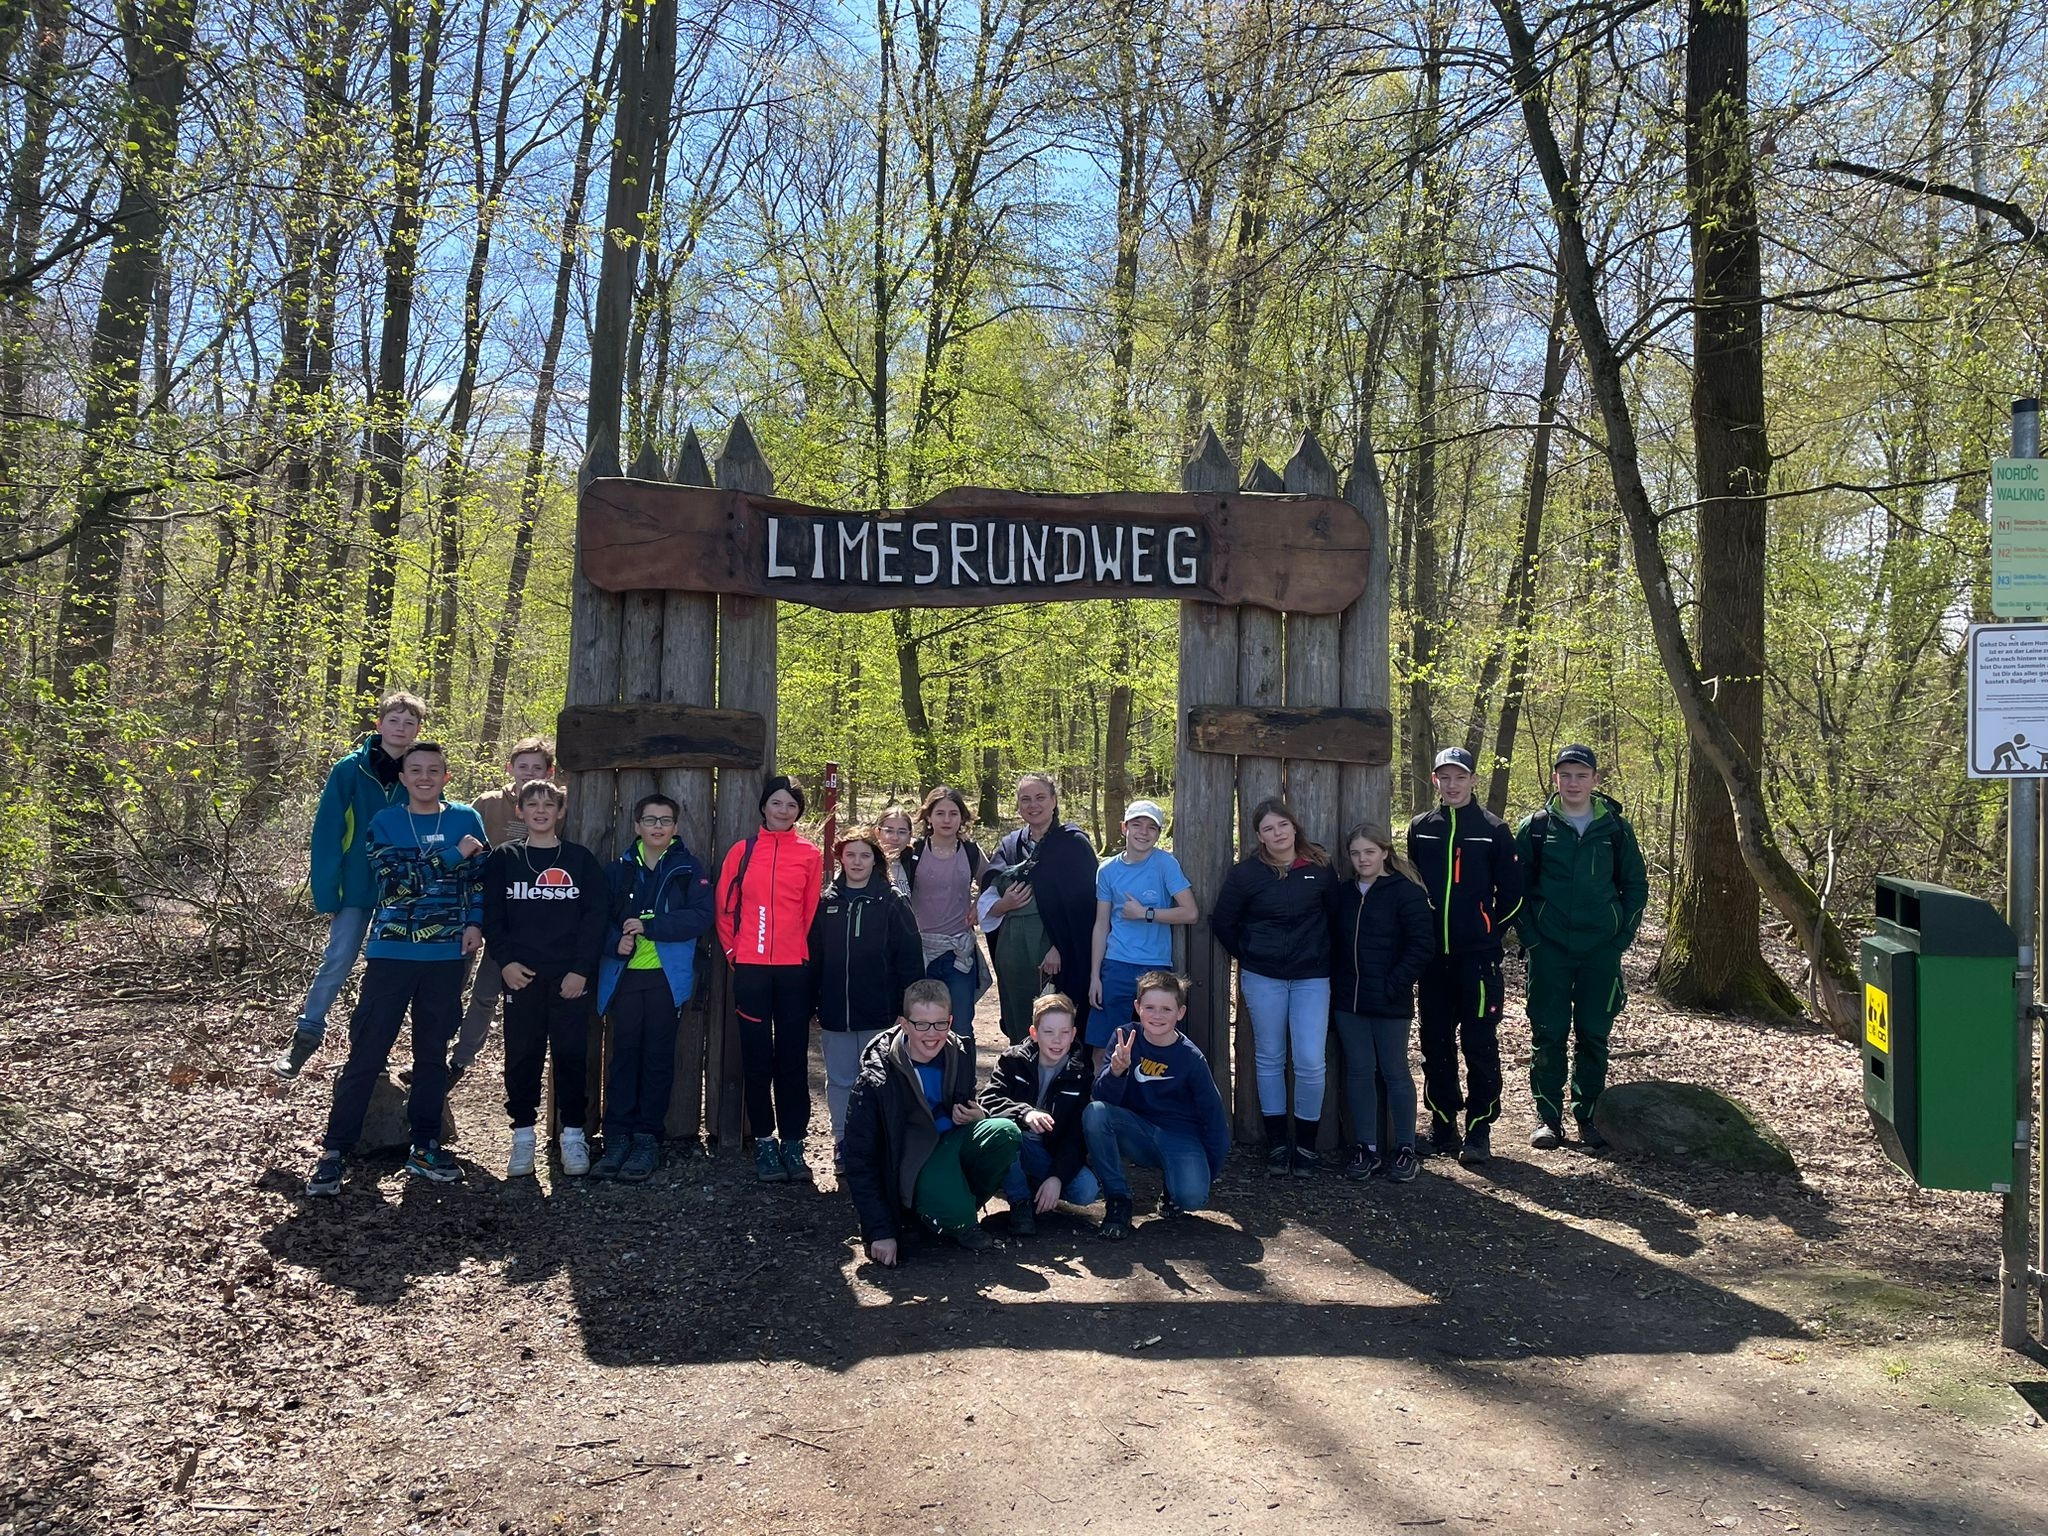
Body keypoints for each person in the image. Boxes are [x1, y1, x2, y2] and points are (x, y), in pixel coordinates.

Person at [304, 742, 487, 1195]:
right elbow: (396, 887)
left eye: (434, 770)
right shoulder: (384, 822)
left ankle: (424, 1146)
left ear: (447, 776)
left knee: (431, 1056)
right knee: (367, 1053)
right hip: (391, 954)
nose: (425, 777)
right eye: (416, 770)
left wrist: (476, 922)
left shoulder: (466, 819)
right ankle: (334, 1152)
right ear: (403, 778)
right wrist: (451, 856)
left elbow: (480, 879)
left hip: (446, 957)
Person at [275, 691, 424, 1079]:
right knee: (338, 959)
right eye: (394, 720)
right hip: (356, 885)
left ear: (418, 729)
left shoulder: (421, 770)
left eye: (410, 723)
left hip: (401, 890)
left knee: (387, 970)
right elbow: (327, 831)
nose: (401, 728)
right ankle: (305, 1039)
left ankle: (373, 1048)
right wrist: (328, 890)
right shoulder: (350, 769)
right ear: (379, 724)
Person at [1513, 745, 1649, 1151]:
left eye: (1581, 775)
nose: (1573, 782)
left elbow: (1636, 886)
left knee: (1593, 1034)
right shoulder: (1536, 827)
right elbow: (1516, 889)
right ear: (1555, 778)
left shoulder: (1616, 829)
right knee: (1548, 1033)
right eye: (1565, 775)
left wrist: (1620, 937)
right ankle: (1548, 1118)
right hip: (1550, 948)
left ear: (1595, 779)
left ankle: (1588, 1116)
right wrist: (1532, 938)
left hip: (1600, 951)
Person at [842, 978, 1023, 1262]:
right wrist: (880, 1231)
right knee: (952, 1207)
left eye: (940, 1024)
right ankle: (940, 1213)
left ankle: (953, 1209)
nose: (932, 1033)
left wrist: (979, 1116)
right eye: (921, 1024)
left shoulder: (958, 1052)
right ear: (904, 1024)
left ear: (950, 1021)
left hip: (950, 1142)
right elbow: (859, 1158)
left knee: (1004, 1131)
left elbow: (969, 1104)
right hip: (912, 1161)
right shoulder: (876, 1076)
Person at [478, 781, 607, 1179]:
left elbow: (595, 917)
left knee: (571, 1055)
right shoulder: (504, 859)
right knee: (522, 1057)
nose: (540, 810)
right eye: (531, 804)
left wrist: (581, 969)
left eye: (548, 805)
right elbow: (491, 914)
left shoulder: (579, 860)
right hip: (521, 976)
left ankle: (572, 1135)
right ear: (519, 811)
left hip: (569, 977)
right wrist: (505, 962)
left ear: (560, 812)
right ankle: (522, 1137)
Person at [1406, 746, 1524, 1167]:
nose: (1452, 784)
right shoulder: (1421, 827)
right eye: (1445, 777)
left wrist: (1489, 930)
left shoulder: (1494, 829)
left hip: (1478, 960)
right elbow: (1414, 886)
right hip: (1433, 961)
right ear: (1435, 781)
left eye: (1460, 777)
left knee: (1478, 1043)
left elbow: (1513, 894)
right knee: (1435, 1043)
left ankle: (1479, 1129)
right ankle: (1442, 1125)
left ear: (1473, 780)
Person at [1211, 797, 1337, 1176]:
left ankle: (1307, 1146)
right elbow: (1224, 922)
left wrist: (1320, 956)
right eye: (1268, 828)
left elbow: (1337, 919)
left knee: (1311, 1060)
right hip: (1263, 977)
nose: (1277, 833)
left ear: (1294, 826)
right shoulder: (1246, 874)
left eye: (1282, 825)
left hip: (1312, 978)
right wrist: (1250, 955)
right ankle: (1279, 1143)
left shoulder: (1319, 868)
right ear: (1259, 837)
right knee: (1269, 1058)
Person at [592, 793, 715, 1182]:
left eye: (665, 820)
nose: (658, 826)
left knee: (659, 1057)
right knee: (624, 1054)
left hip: (666, 979)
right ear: (636, 826)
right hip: (624, 976)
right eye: (650, 820)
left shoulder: (687, 868)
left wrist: (650, 926)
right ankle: (617, 1136)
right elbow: (598, 918)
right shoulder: (618, 870)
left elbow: (700, 916)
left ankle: (647, 1138)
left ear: (676, 827)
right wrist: (617, 941)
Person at [716, 774, 824, 1184]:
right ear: (764, 806)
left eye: (792, 805)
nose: (784, 811)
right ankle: (764, 1142)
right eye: (777, 803)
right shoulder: (742, 852)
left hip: (794, 972)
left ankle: (793, 1145)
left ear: (799, 812)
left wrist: (805, 962)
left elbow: (811, 914)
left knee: (793, 1062)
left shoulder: (810, 855)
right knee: (757, 1060)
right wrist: (733, 953)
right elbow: (725, 909)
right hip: (751, 971)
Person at [1083, 972, 1231, 1239]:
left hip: (1179, 1135)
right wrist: (1116, 1072)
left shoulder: (1191, 1058)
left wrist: (1208, 1168)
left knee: (1193, 1198)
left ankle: (1173, 1189)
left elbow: (1214, 1119)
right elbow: (1103, 1098)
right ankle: (1118, 1198)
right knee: (1094, 1114)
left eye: (1166, 1009)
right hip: (1137, 1130)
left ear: (1180, 1012)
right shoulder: (1124, 1039)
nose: (1157, 1016)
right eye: (1149, 1008)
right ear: (1138, 1007)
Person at [450, 736, 563, 1082]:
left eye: (537, 768)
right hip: (474, 902)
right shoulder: (488, 803)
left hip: (516, 912)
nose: (529, 774)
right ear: (509, 768)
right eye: (523, 766)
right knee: (450, 983)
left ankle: (460, 1061)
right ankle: (431, 1052)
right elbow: (462, 837)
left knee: (486, 991)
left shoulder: (554, 803)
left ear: (550, 771)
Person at [1328, 822, 1435, 1183]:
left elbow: (1422, 945)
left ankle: (1405, 1147)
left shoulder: (1406, 893)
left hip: (1390, 999)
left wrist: (1395, 983)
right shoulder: (1344, 893)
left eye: (1369, 852)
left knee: (1393, 1070)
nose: (1362, 859)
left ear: (1384, 852)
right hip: (1349, 1000)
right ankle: (1366, 1147)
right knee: (1358, 1071)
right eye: (1356, 853)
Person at [809, 829, 923, 1166]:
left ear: (876, 860)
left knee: (881, 1081)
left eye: (864, 855)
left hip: (882, 1015)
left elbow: (911, 960)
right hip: (836, 1014)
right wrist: (812, 1003)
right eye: (851, 855)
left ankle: (879, 1144)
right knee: (841, 1081)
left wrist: (908, 1009)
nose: (857, 862)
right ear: (841, 858)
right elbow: (814, 958)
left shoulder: (891, 902)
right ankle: (844, 1144)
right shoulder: (827, 902)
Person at [981, 773, 1098, 1045]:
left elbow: (1085, 904)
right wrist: (1002, 905)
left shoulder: (1073, 843)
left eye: (1040, 797)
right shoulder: (1012, 844)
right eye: (1025, 799)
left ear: (1054, 801)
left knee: (1057, 1016)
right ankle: (1022, 1072)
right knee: (1020, 1017)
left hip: (1057, 951)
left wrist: (1059, 945)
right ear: (1018, 806)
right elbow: (990, 883)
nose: (1033, 805)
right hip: (1014, 948)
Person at [1087, 799, 1198, 1064]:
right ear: (1124, 827)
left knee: (1156, 1044)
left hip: (1156, 967)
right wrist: (1095, 976)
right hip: (1116, 965)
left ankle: (1150, 1101)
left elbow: (1190, 912)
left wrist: (1145, 914)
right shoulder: (1107, 870)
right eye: (1137, 825)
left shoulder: (1165, 865)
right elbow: (1101, 924)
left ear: (1159, 834)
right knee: (1104, 1046)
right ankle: (1102, 1101)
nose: (1143, 832)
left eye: (1152, 827)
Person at [980, 992, 1098, 1235]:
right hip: (1013, 1141)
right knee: (1005, 1134)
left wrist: (1057, 1177)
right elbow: (987, 1101)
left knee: (1086, 1191)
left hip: (1046, 1151)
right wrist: (1024, 1114)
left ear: (1073, 1034)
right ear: (1034, 1033)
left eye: (1064, 1032)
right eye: (1048, 1032)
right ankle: (1020, 1201)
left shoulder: (1080, 1074)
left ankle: (1036, 1182)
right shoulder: (1013, 1060)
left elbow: (1076, 1136)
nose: (1057, 1040)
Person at [897, 785, 988, 1044]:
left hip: (958, 952)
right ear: (928, 817)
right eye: (940, 813)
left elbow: (992, 881)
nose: (947, 820)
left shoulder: (970, 852)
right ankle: (918, 1082)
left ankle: (961, 1084)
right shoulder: (913, 852)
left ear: (962, 817)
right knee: (917, 1025)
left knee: (960, 1027)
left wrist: (978, 903)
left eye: (953, 813)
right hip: (919, 952)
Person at [876, 805, 915, 897]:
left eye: (902, 832)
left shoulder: (913, 863)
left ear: (910, 836)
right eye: (889, 831)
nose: (895, 838)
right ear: (877, 832)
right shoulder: (866, 862)